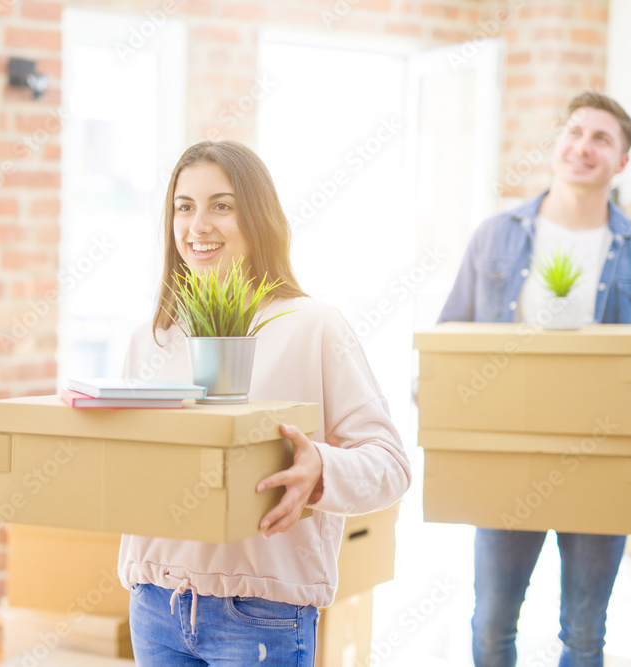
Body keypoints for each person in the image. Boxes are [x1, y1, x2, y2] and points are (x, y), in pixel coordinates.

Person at [120, 140, 411, 666]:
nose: (198, 225)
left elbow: (390, 465)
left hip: (260, 615)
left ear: (258, 217)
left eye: (222, 205)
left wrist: (321, 468)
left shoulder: (312, 326)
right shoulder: (154, 337)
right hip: (156, 605)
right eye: (184, 207)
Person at [439, 91, 631, 667]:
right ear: (557, 144)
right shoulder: (494, 236)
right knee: (492, 624)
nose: (584, 147)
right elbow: (450, 334)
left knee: (583, 633)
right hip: (507, 457)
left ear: (622, 161)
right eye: (575, 132)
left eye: (603, 138)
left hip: (601, 456)